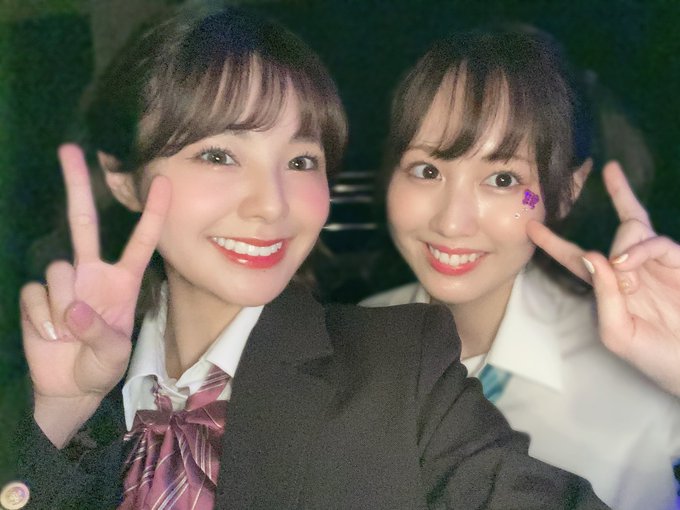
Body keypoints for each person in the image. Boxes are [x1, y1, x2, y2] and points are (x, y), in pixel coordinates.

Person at [6, 6, 609, 510]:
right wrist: (57, 416)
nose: (272, 205)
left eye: (301, 161)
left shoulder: (400, 374)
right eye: (219, 155)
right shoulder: (45, 395)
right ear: (123, 179)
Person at [361, 26, 680, 510]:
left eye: (503, 179)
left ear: (567, 191)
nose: (451, 222)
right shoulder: (361, 333)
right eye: (427, 170)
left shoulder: (641, 364)